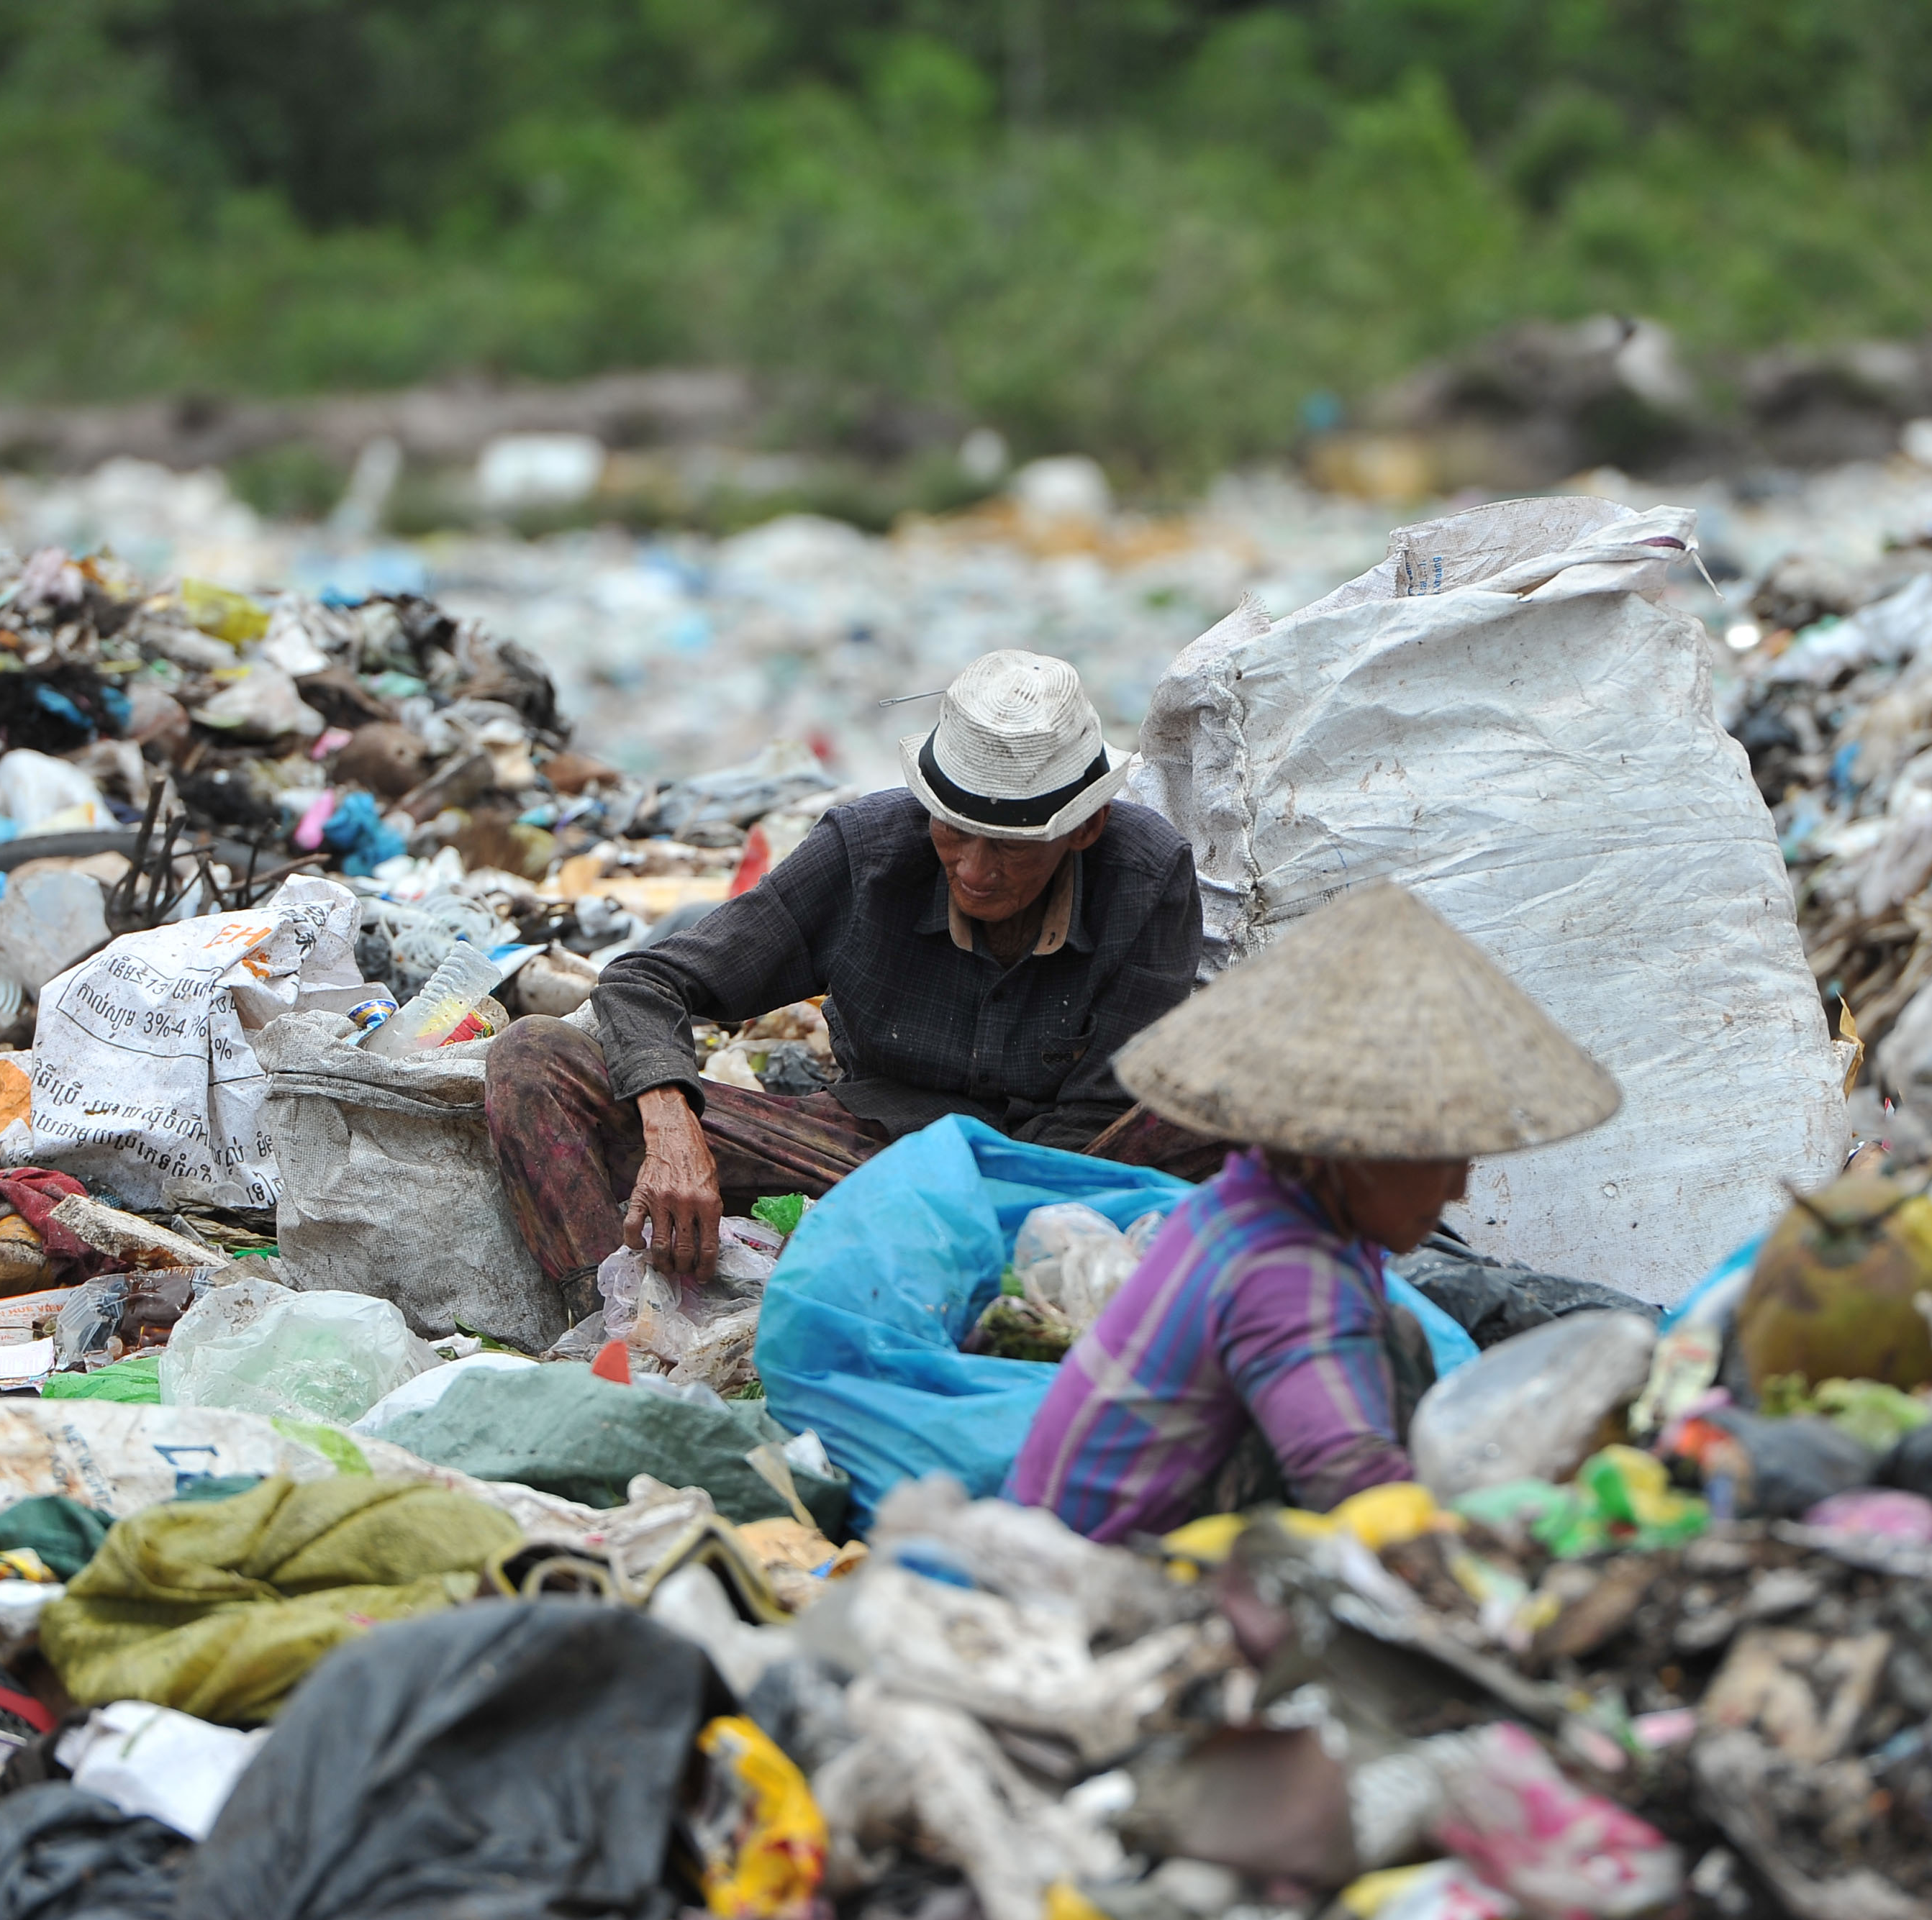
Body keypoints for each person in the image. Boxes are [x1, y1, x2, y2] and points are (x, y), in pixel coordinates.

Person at [484, 650, 1223, 1297]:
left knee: (1251, 1123)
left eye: (1010, 848)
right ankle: (599, 1321)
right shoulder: (864, 851)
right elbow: (645, 982)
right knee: (534, 1058)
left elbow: (1104, 1113)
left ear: (1083, 828)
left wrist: (965, 1222)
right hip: (859, 1149)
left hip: (1053, 1174)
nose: (972, 870)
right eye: (953, 832)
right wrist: (673, 1128)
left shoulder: (1144, 875)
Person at [1006, 881, 1622, 1542]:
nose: (1458, 1193)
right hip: (1093, 1569)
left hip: (1067, 1526)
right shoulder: (1282, 1272)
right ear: (1353, 1152)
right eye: (1442, 1158)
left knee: (1400, 1338)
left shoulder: (1240, 1203)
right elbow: (1352, 1483)